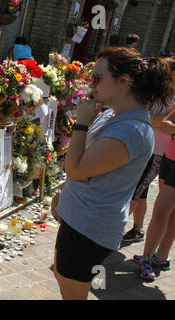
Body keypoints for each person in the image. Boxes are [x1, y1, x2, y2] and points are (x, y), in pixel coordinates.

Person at [53, 47, 173, 300]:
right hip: (79, 218)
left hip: (89, 227)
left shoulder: (132, 130)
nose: (91, 84)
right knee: (64, 280)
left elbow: (76, 169)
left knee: (72, 293)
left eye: (98, 78)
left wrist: (82, 123)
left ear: (123, 82)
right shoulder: (112, 114)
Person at [133, 56, 175, 281]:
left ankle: (157, 257)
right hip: (170, 158)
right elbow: (166, 124)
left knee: (168, 212)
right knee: (163, 211)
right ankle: (151, 256)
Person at [123, 92, 172, 242]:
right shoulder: (161, 91)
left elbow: (163, 124)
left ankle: (112, 230)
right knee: (141, 192)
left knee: (134, 191)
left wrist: (143, 115)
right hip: (146, 147)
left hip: (158, 152)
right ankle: (137, 229)